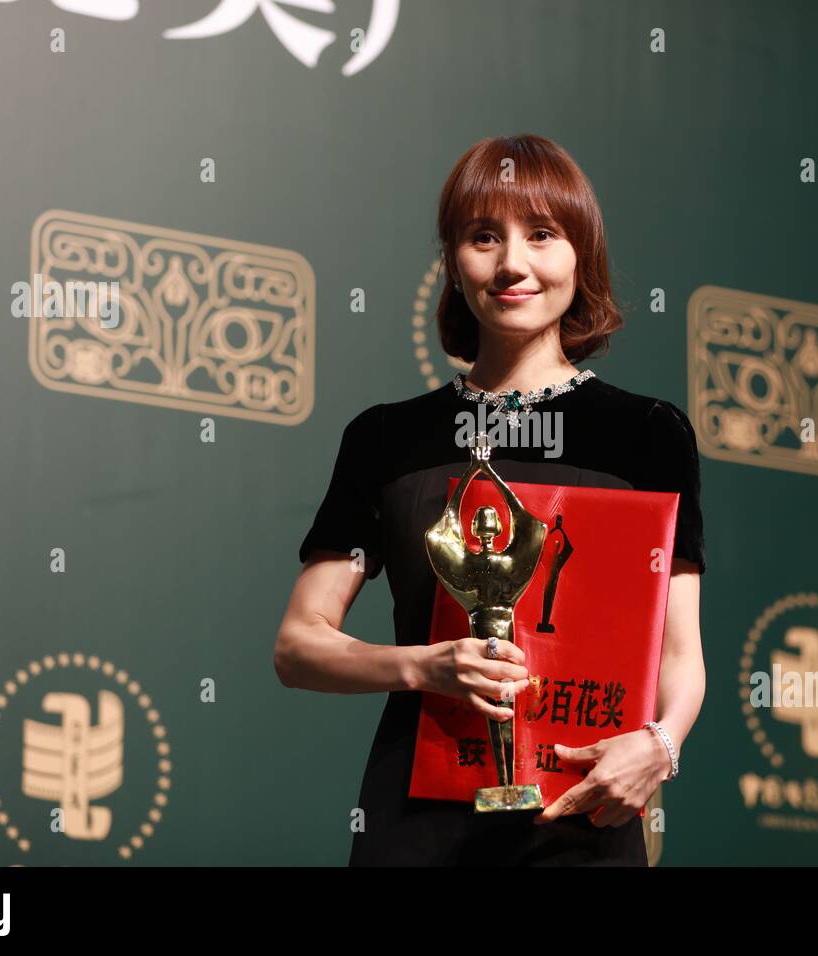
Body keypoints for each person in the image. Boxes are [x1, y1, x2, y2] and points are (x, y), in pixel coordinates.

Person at [274, 133, 706, 866]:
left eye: (542, 234)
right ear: (453, 262)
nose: (512, 264)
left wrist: (660, 746)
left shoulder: (647, 435)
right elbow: (298, 645)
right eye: (483, 237)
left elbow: (680, 652)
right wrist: (426, 665)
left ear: (581, 256)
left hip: (585, 816)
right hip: (417, 826)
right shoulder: (387, 438)